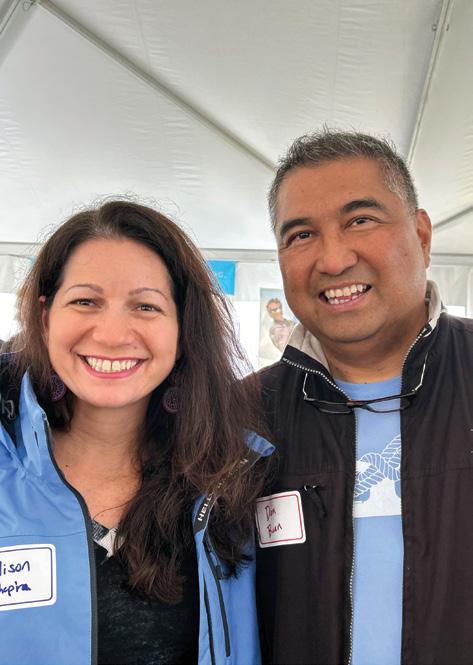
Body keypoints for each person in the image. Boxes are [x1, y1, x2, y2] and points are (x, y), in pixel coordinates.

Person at [0, 200, 272, 665]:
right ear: (45, 318)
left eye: (146, 306)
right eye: (85, 301)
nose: (112, 334)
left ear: (182, 329)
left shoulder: (232, 477)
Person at [255, 129, 473, 665]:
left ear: (421, 235)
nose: (332, 260)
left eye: (360, 220)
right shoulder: (240, 417)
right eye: (301, 234)